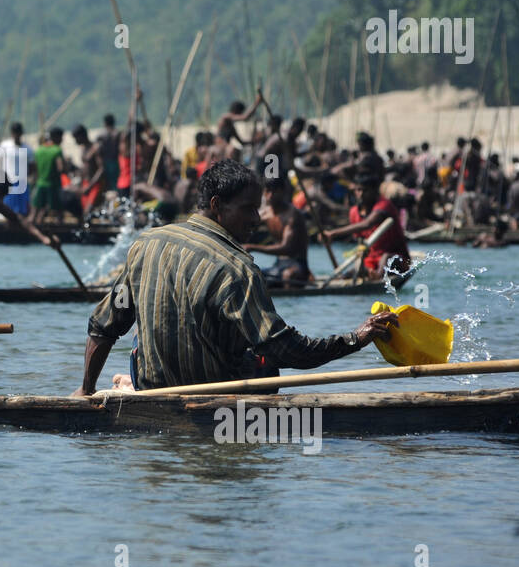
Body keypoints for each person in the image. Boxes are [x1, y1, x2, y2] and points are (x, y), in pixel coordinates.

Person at [75, 159, 397, 394]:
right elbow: (284, 349)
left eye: (258, 208)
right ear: (217, 206)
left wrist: (85, 392)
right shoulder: (237, 269)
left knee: (139, 339)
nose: (256, 219)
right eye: (248, 209)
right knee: (267, 364)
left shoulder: (145, 244)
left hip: (154, 388)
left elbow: (103, 326)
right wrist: (355, 339)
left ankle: (131, 383)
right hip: (209, 396)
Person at [325, 168, 412, 280]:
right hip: (371, 259)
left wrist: (333, 233)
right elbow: (360, 241)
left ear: (374, 191)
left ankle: (378, 275)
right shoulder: (354, 212)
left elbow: (368, 223)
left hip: (397, 259)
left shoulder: (384, 205)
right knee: (349, 273)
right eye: (358, 190)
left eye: (364, 191)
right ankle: (361, 274)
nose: (360, 194)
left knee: (386, 258)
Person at [244, 176, 311, 287]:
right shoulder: (264, 213)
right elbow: (242, 226)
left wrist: (252, 247)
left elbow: (286, 248)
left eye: (274, 192)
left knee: (288, 275)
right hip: (278, 265)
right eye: (267, 191)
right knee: (252, 275)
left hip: (297, 265)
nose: (270, 196)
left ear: (283, 192)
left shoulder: (293, 215)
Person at [0, 122, 33, 217]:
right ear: (12, 133)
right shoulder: (5, 146)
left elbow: (32, 166)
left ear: (21, 133)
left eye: (18, 132)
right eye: (15, 132)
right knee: (7, 207)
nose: (16, 134)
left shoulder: (28, 148)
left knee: (22, 210)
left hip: (22, 182)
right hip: (8, 182)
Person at [31, 127, 65, 224]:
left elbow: (35, 170)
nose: (62, 140)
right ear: (56, 137)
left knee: (35, 213)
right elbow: (60, 169)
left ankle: (35, 232)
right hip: (53, 186)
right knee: (59, 214)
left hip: (40, 185)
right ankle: (59, 234)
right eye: (61, 137)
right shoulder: (57, 150)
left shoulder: (39, 150)